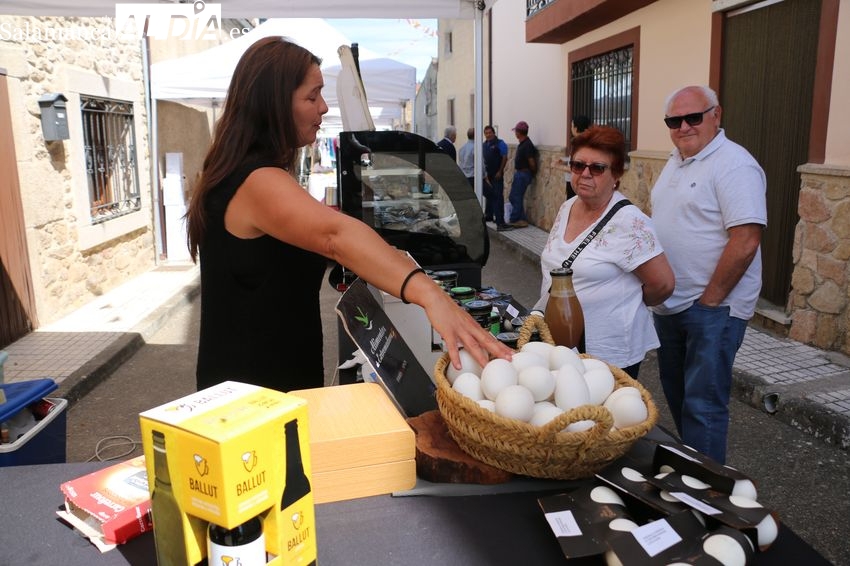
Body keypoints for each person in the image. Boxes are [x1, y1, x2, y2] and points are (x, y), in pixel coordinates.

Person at [185, 37, 512, 393]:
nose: (323, 107)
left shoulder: (247, 173)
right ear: (273, 105)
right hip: (252, 398)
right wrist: (431, 296)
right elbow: (333, 236)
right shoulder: (256, 180)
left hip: (264, 388)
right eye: (312, 97)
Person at [650, 85, 767, 464]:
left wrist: (710, 301)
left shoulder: (734, 164)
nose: (683, 126)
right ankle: (696, 473)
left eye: (693, 117)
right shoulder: (677, 160)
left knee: (704, 407)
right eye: (674, 120)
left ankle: (708, 496)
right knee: (680, 398)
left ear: (716, 115)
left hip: (712, 309)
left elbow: (747, 239)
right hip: (673, 307)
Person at [531, 126, 674, 378]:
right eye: (578, 166)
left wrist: (621, 300)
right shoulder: (568, 206)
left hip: (609, 354)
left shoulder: (629, 221)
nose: (585, 174)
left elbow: (662, 284)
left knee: (605, 417)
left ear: (616, 174)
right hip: (561, 345)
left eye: (597, 168)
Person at [507, 121, 537, 228]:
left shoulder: (527, 145)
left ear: (519, 132)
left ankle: (515, 219)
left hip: (523, 174)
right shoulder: (523, 144)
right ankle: (522, 220)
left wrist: (532, 173)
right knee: (514, 197)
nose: (515, 133)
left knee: (516, 196)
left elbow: (531, 161)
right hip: (520, 173)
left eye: (516, 131)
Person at [482, 125, 511, 231]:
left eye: (490, 133)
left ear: (494, 133)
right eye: (486, 133)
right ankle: (489, 215)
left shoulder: (500, 143)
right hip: (487, 176)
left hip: (497, 175)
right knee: (489, 196)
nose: (488, 135)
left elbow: (504, 157)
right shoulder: (483, 145)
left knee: (498, 197)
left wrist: (500, 171)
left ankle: (500, 222)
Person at [566, 115, 591, 199]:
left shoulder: (578, 144)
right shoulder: (588, 142)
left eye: (572, 126)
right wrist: (564, 161)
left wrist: (556, 166)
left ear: (576, 129)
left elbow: (575, 167)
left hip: (575, 182)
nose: (571, 128)